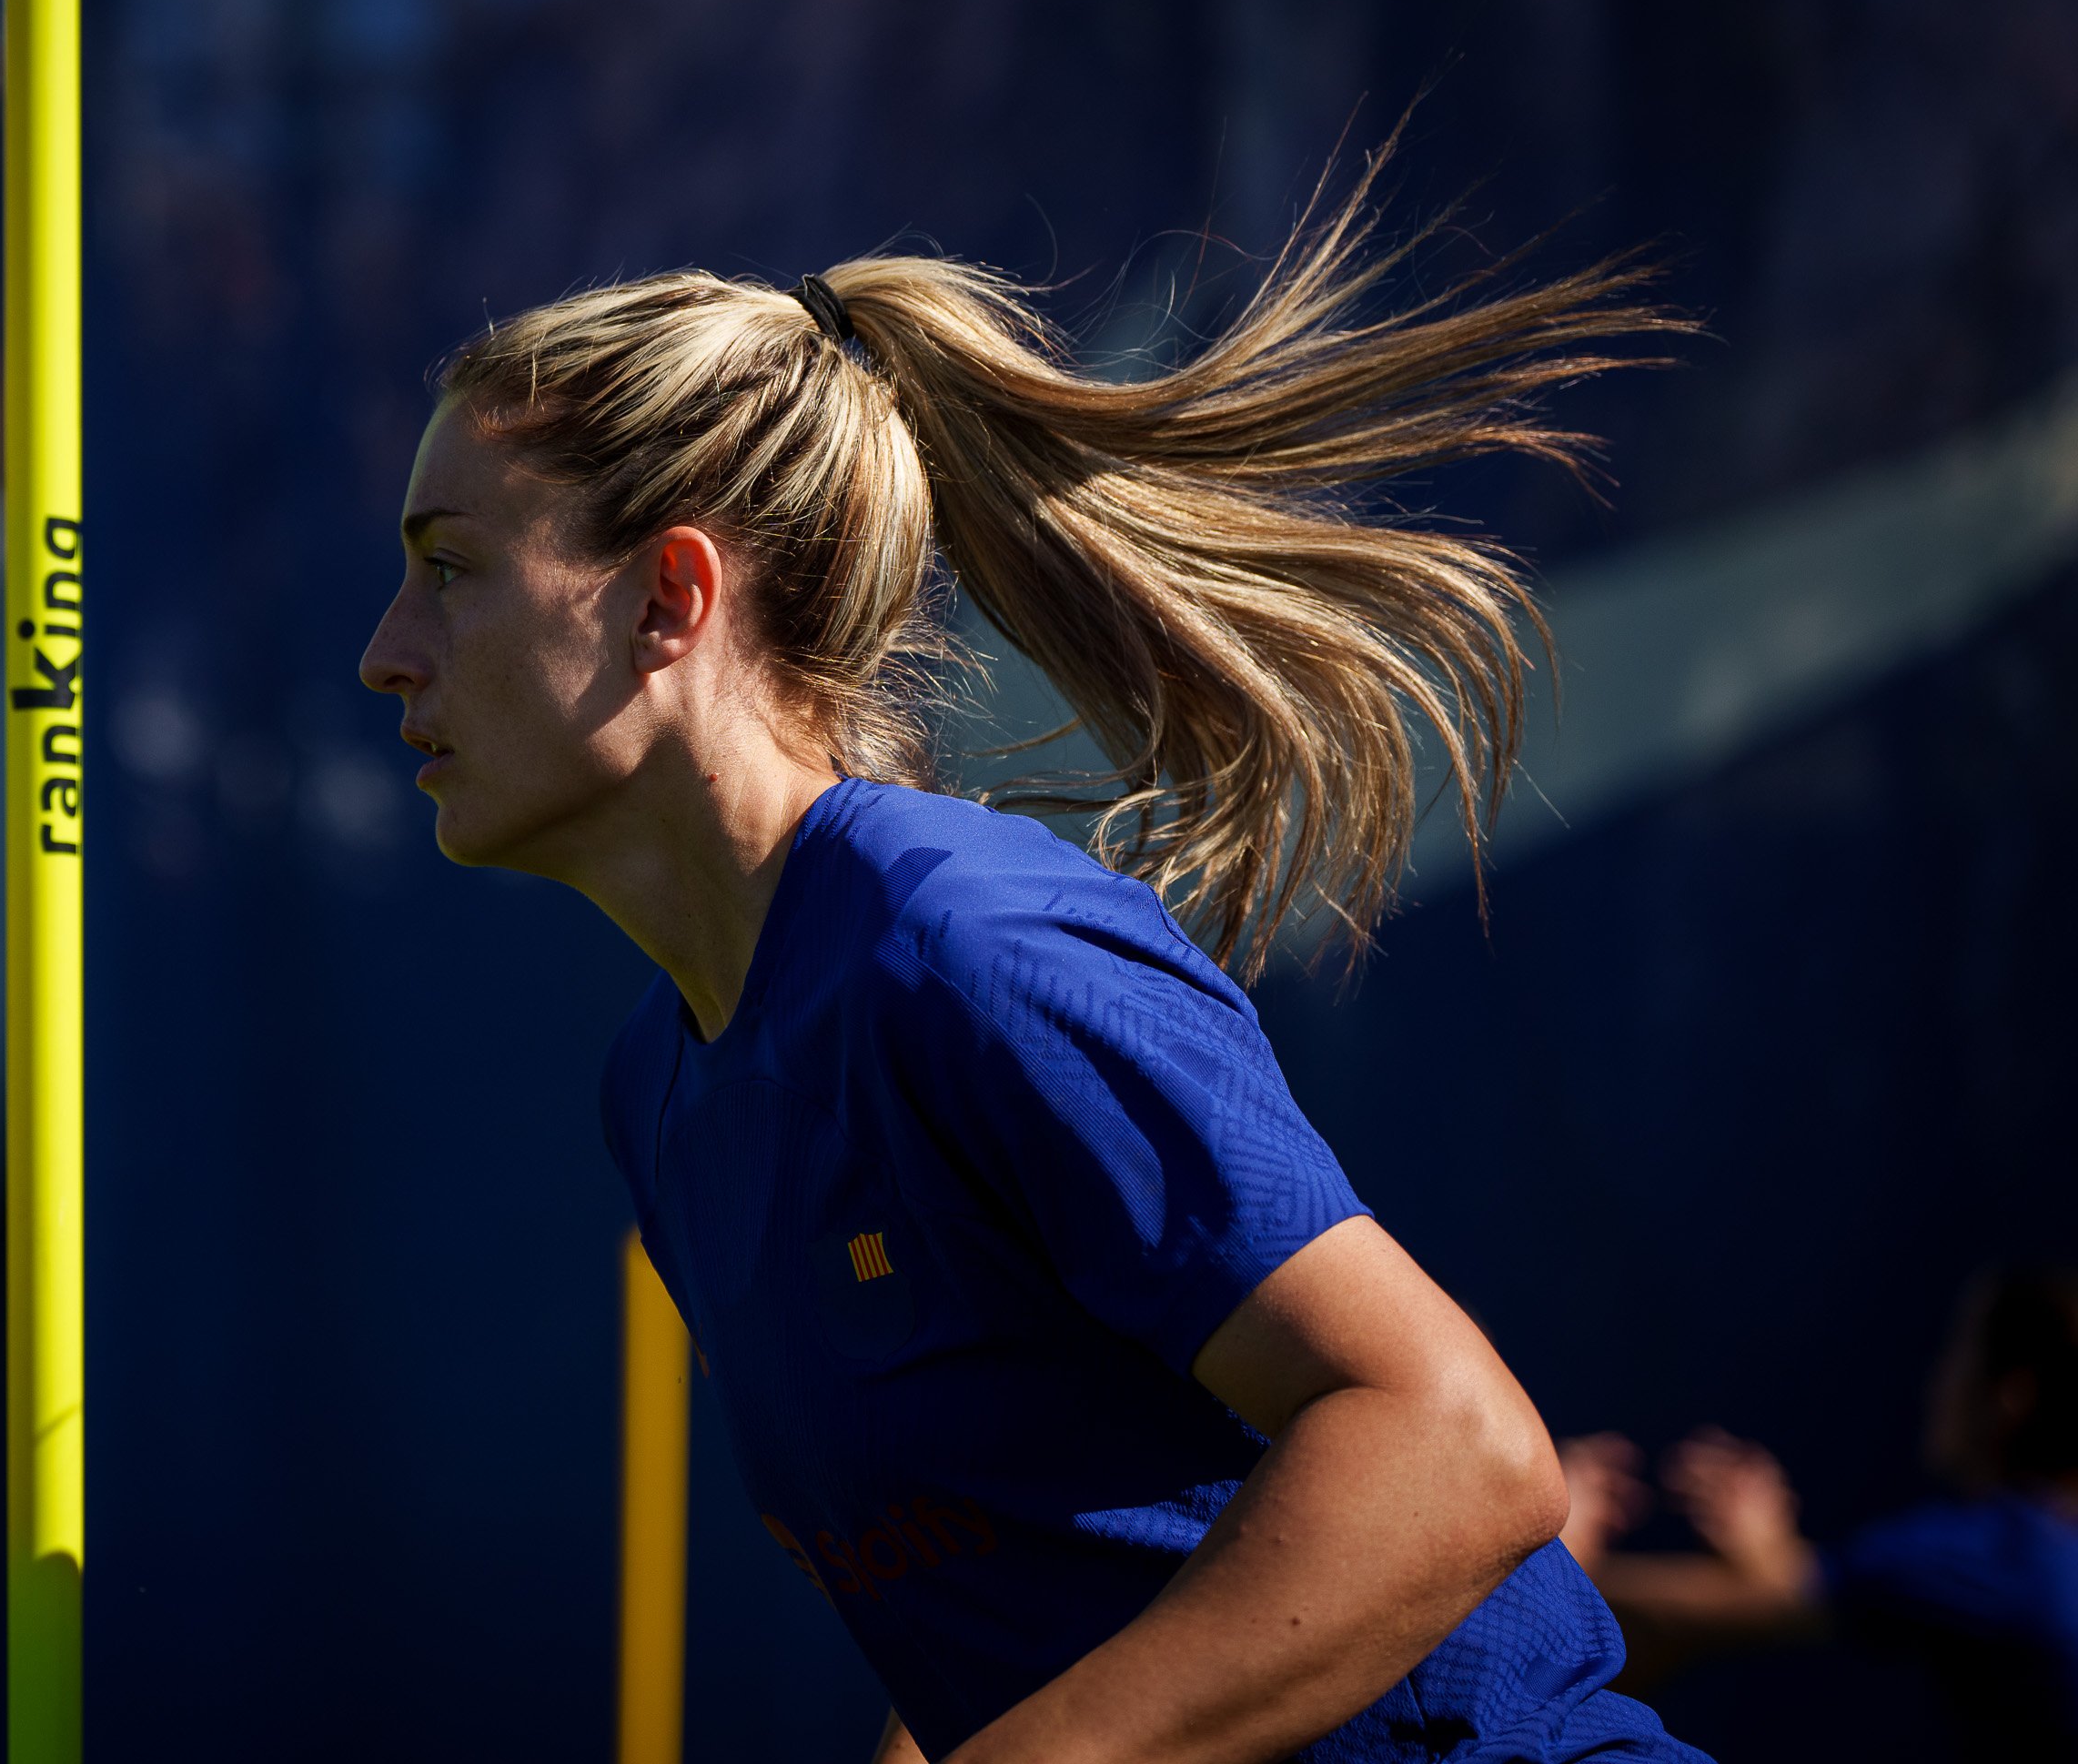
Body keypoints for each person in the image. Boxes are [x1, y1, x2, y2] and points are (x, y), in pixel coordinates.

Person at [358, 142, 1705, 1763]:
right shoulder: (659, 1091)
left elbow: (1459, 1447)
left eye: (451, 571)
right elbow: (1007, 1612)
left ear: (669, 597)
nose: (387, 655)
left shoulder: (962, 944)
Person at [1560, 1267, 2078, 1756]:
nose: (1937, 1384)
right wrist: (1772, 1554)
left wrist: (1550, 1556)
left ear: (2012, 1397)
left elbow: (1772, 1596)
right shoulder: (2041, 1548)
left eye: (1958, 1362)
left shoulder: (2001, 1554)